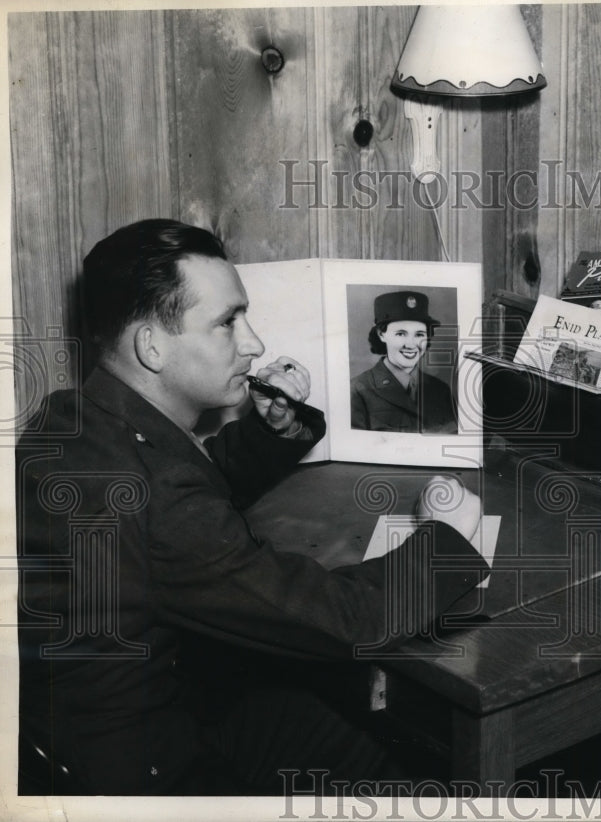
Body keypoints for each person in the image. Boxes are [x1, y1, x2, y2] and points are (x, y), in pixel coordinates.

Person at [16, 219, 490, 795]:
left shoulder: (72, 420)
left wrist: (269, 433)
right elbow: (341, 622)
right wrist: (446, 541)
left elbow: (176, 492)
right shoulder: (155, 494)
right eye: (226, 323)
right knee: (402, 761)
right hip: (145, 775)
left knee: (338, 734)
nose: (254, 343)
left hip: (92, 729)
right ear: (151, 346)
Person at [350, 291, 457, 433]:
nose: (411, 345)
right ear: (381, 334)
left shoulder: (441, 390)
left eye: (419, 334)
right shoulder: (357, 390)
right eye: (400, 334)